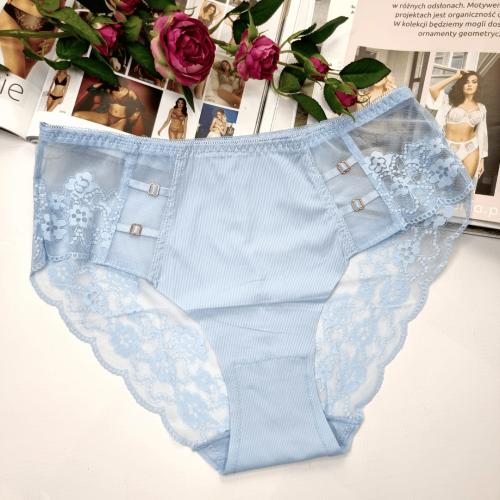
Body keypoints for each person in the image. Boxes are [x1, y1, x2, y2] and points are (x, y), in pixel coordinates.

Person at [427, 69, 487, 181]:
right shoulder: (448, 101)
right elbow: (433, 89)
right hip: (449, 146)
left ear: (478, 86)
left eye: (474, 82)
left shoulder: (481, 108)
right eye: (466, 82)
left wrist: (482, 159)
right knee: (444, 183)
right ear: (461, 85)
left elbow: (482, 133)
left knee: (465, 185)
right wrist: (455, 77)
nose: (470, 85)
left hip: (472, 148)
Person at [0, 0, 64, 79]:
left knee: (21, 78)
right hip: (13, 14)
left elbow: (61, 6)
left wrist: (53, 37)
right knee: (17, 74)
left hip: (45, 26)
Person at [72, 80, 145, 135]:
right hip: (106, 116)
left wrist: (136, 114)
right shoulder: (109, 89)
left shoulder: (130, 93)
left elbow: (141, 107)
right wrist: (104, 83)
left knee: (104, 135)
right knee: (75, 115)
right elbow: (90, 89)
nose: (112, 84)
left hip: (121, 120)